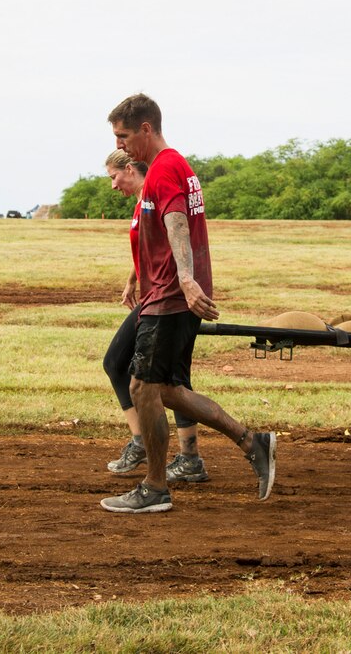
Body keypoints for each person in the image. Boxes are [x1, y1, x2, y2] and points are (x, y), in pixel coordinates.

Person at [100, 93, 276, 513]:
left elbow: (176, 222)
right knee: (169, 390)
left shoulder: (163, 169)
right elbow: (157, 230)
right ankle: (253, 443)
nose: (121, 145)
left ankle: (155, 488)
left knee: (142, 386)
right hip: (169, 294)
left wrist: (184, 279)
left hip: (170, 298)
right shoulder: (174, 165)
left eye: (124, 136)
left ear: (146, 128)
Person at [102, 150, 209, 483]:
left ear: (129, 169)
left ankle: (147, 444)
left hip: (166, 297)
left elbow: (174, 238)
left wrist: (186, 282)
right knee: (167, 377)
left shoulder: (156, 190)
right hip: (157, 293)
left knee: (124, 364)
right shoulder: (141, 202)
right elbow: (151, 247)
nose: (112, 184)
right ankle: (185, 455)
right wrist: (133, 278)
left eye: (113, 176)